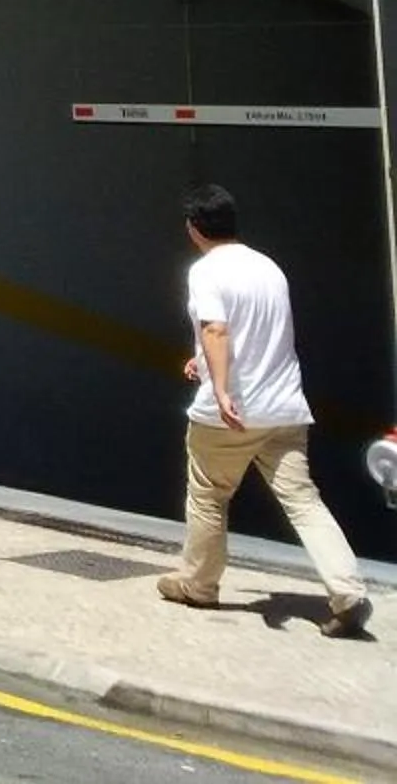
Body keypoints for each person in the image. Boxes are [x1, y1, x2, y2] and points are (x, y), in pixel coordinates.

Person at [157, 185, 371, 637]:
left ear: (193, 228)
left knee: (209, 496)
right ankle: (348, 590)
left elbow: (217, 328)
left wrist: (219, 386)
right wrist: (202, 357)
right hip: (285, 408)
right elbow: (258, 332)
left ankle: (199, 584)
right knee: (304, 500)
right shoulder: (269, 268)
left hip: (229, 413)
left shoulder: (205, 270)